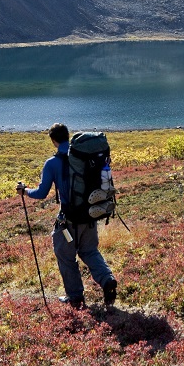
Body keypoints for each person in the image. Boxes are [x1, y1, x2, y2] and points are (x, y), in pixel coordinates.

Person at [16, 122, 117, 310]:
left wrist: (25, 191)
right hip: (89, 213)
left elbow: (41, 193)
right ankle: (107, 279)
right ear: (68, 136)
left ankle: (75, 297)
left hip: (69, 218)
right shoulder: (83, 157)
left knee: (65, 256)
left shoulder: (52, 162)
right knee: (89, 251)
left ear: (53, 140)